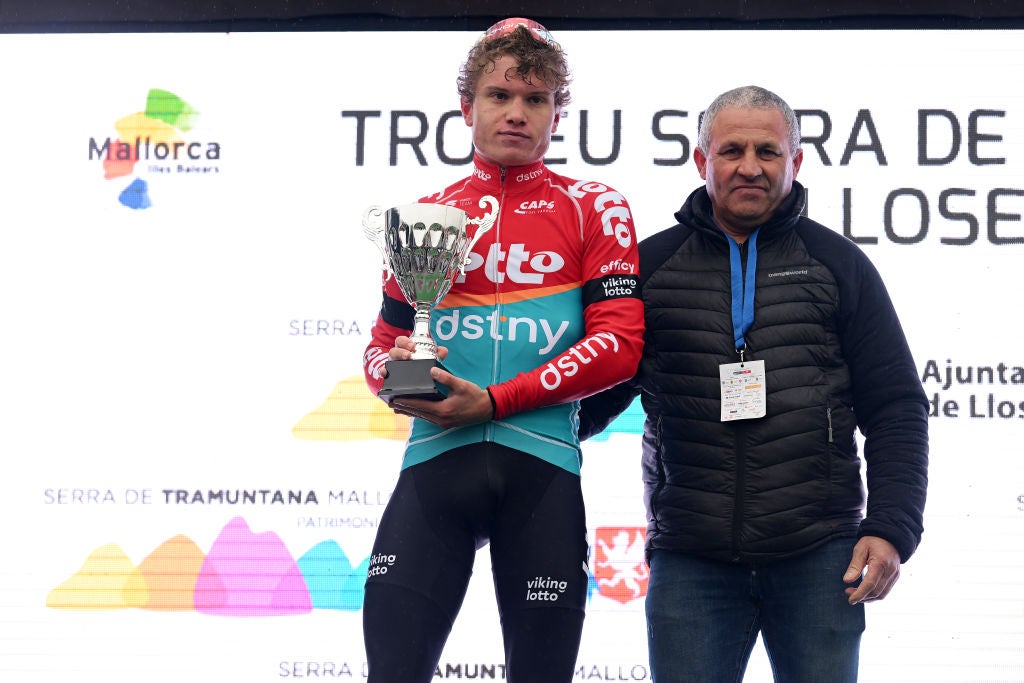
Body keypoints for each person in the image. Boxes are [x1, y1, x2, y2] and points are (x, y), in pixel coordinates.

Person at [578, 85, 929, 682]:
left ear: (795, 162)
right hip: (691, 559)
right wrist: (490, 400)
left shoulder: (839, 265)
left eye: (768, 152)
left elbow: (896, 406)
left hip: (820, 556)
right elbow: (591, 395)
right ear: (700, 160)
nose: (749, 166)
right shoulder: (646, 269)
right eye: (731, 150)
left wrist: (891, 528)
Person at [360, 18, 644, 683]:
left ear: (557, 113)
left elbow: (619, 346)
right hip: (435, 467)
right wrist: (405, 381)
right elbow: (381, 347)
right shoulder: (424, 215)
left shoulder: (594, 207)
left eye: (536, 99)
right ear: (467, 107)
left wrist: (494, 401)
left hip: (540, 473)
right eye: (499, 96)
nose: (517, 113)